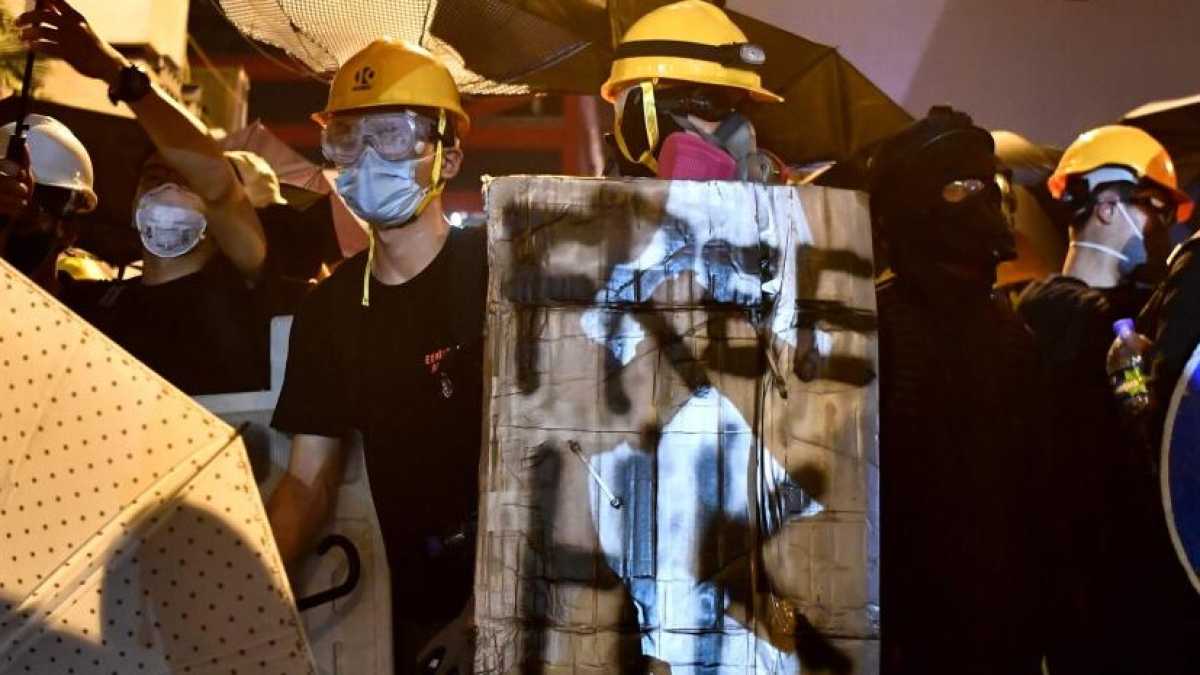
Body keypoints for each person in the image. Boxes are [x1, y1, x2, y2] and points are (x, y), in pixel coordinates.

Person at [265, 39, 483, 673]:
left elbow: (544, 463)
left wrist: (480, 616)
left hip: (518, 596)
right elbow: (308, 480)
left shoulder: (499, 277)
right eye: (347, 137)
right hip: (404, 608)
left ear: (449, 156)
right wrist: (251, 579)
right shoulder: (330, 310)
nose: (366, 158)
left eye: (393, 135)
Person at [869, 106, 1048, 674]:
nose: (981, 205)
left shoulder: (1011, 330)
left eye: (986, 187)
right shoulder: (877, 329)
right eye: (957, 188)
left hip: (1006, 619)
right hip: (910, 623)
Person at [1016, 124, 1200, 674]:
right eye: (1152, 208)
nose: (1161, 226)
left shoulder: (1136, 311)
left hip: (1122, 588)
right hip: (1100, 592)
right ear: (1105, 205)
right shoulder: (1064, 317)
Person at [17, 0, 271, 395]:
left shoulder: (245, 293)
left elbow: (217, 180)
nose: (165, 187)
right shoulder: (103, 304)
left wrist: (115, 70)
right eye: (153, 175)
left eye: (185, 177)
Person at [600, 0, 786, 182]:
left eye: (741, 107)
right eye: (714, 103)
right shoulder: (585, 209)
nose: (741, 130)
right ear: (639, 115)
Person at [0, 113, 98, 293]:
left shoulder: (88, 312)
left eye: (42, 202)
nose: (19, 210)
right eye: (6, 196)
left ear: (70, 230)